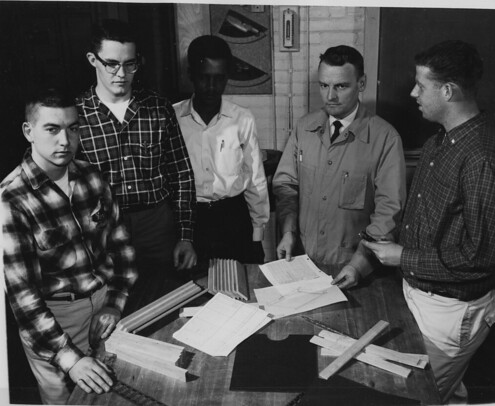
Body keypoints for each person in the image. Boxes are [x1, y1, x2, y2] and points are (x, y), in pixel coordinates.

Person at [362, 40, 495, 404]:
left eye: (421, 85)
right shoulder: (439, 142)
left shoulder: (481, 157)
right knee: (445, 394)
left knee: (411, 396)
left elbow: (481, 257)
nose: (413, 92)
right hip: (416, 296)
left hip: (449, 313)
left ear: (448, 90)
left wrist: (402, 257)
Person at [1, 87, 137, 404]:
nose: (65, 140)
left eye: (73, 128)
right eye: (52, 129)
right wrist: (71, 359)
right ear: (28, 131)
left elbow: (122, 249)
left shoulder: (92, 177)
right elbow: (24, 299)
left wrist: (114, 303)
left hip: (106, 308)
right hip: (54, 320)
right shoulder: (12, 199)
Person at [272, 45, 406, 288]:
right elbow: (285, 184)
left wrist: (358, 265)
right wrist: (288, 231)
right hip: (301, 263)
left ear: (361, 83)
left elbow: (389, 212)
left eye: (341, 86)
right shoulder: (304, 128)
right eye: (324, 86)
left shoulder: (385, 138)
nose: (330, 96)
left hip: (354, 271)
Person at [77, 19, 197, 283]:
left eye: (130, 64)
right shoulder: (77, 115)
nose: (121, 74)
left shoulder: (158, 107)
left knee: (166, 297)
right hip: (105, 227)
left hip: (157, 224)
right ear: (92, 59)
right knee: (115, 304)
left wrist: (185, 236)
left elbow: (182, 175)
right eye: (111, 64)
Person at [174, 35, 269, 266]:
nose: (211, 87)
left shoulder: (242, 118)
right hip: (190, 222)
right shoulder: (172, 117)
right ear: (191, 76)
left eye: (219, 79)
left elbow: (255, 178)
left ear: (227, 78)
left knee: (239, 291)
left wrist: (257, 236)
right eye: (204, 78)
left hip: (232, 219)